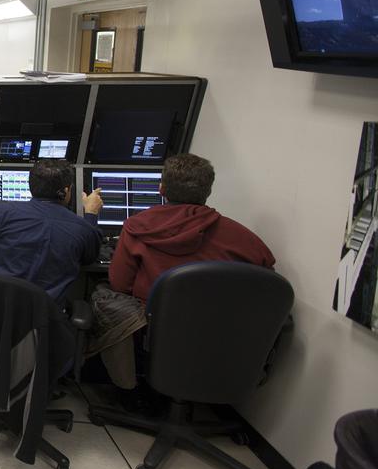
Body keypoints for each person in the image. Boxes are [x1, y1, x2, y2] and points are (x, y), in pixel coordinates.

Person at [88, 153, 276, 397]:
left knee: (101, 293)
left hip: (155, 331)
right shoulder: (243, 238)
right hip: (223, 334)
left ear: (161, 188)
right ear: (207, 191)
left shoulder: (138, 227)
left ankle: (127, 386)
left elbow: (120, 284)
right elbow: (266, 284)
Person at [0, 159, 104, 301]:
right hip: (48, 320)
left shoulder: (1, 212)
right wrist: (90, 213)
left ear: (31, 186)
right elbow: (90, 257)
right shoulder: (82, 228)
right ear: (66, 190)